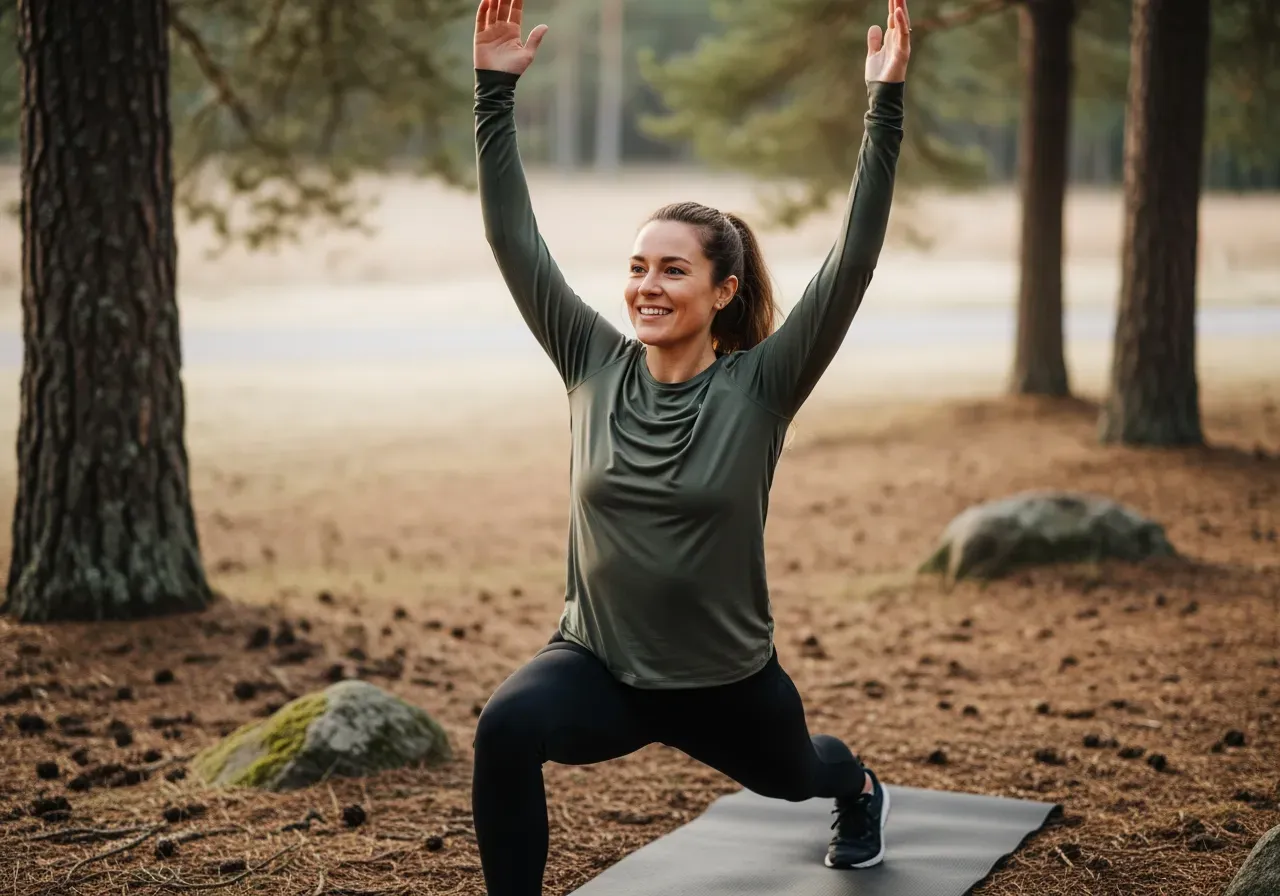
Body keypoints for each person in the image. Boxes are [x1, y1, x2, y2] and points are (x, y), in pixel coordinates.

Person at [469, 0, 909, 891]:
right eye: (637, 267)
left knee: (801, 777)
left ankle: (857, 787)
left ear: (723, 291)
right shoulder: (591, 362)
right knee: (504, 729)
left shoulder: (761, 387)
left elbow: (852, 260)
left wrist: (883, 106)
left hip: (726, 683)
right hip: (598, 664)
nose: (647, 287)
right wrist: (492, 96)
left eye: (673, 269)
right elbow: (514, 242)